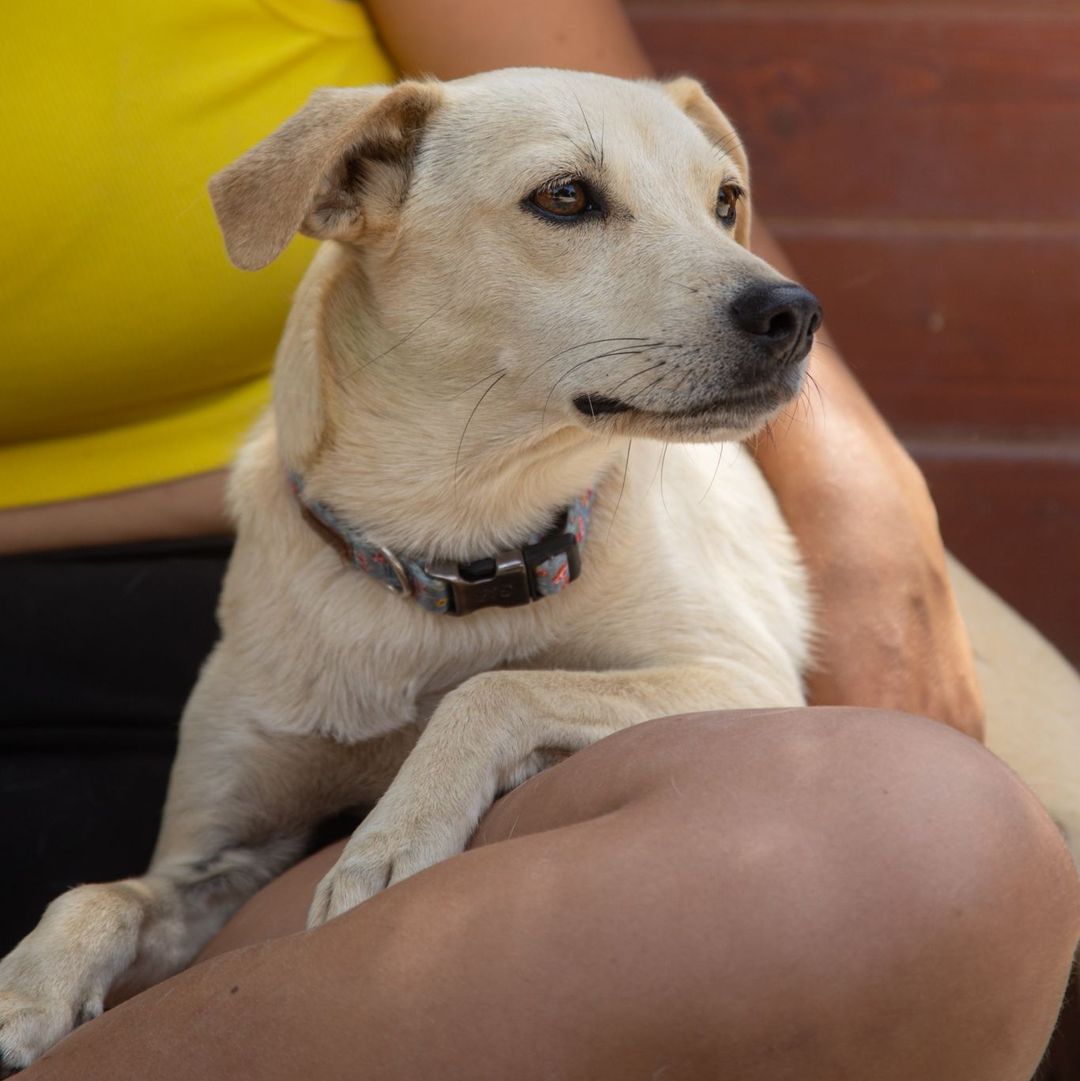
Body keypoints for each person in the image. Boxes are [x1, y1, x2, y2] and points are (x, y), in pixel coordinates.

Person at [2, 1, 1075, 1078]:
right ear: (349, 188)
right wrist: (95, 923)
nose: (766, 299)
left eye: (720, 207)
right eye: (571, 200)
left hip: (673, 544)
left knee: (1027, 837)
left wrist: (500, 716)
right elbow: (196, 888)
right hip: (254, 534)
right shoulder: (372, 165)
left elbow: (746, 696)